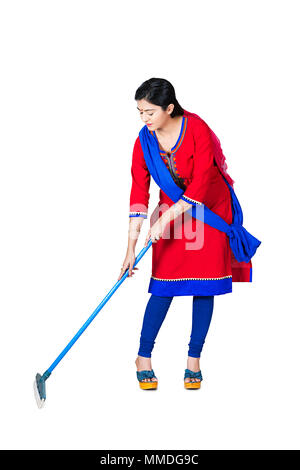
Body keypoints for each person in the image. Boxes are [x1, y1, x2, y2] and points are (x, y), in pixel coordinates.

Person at [118, 78, 238, 390]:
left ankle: (193, 360)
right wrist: (130, 247)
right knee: (164, 285)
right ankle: (143, 357)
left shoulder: (196, 128)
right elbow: (138, 190)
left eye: (150, 112)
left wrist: (164, 221)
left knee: (205, 285)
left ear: (169, 108)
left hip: (210, 210)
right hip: (172, 211)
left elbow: (201, 181)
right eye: (140, 112)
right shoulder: (144, 141)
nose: (144, 119)